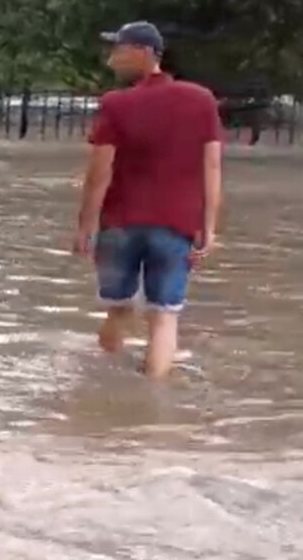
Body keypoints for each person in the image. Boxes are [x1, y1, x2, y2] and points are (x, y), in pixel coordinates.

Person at [73, 21, 223, 379]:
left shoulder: (115, 104)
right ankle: (155, 410)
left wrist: (85, 226)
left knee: (117, 311)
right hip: (176, 225)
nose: (111, 58)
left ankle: (104, 388)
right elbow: (212, 166)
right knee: (164, 316)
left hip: (120, 225)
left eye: (118, 49)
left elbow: (99, 174)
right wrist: (209, 227)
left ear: (143, 52)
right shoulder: (201, 100)